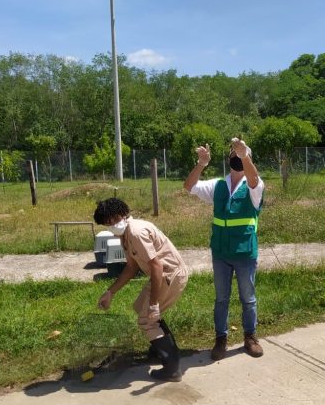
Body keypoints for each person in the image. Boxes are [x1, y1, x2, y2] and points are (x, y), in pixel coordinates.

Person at [184, 137, 265, 360]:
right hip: (220, 253)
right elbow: (189, 186)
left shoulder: (254, 186)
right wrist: (201, 164)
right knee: (221, 299)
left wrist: (244, 156)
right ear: (228, 159)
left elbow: (254, 179)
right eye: (234, 154)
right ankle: (221, 339)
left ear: (247, 158)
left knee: (248, 298)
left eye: (241, 154)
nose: (237, 158)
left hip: (245, 253)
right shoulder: (218, 185)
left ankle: (250, 337)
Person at [93, 198, 188, 382]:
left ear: (123, 213)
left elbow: (157, 266)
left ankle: (172, 367)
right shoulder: (125, 236)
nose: (112, 225)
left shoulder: (135, 232)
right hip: (161, 275)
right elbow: (131, 267)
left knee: (147, 319)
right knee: (140, 308)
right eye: (107, 223)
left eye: (114, 219)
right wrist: (110, 292)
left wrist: (153, 304)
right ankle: (158, 349)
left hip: (169, 275)